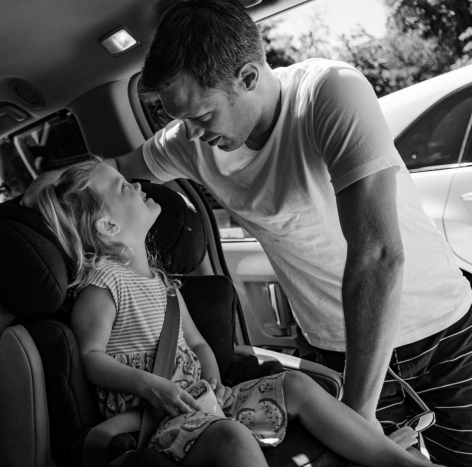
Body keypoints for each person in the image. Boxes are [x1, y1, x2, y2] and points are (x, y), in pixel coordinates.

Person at [90, 1, 472, 464]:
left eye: (202, 116)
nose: (188, 134)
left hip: (446, 333)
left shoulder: (329, 93)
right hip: (337, 349)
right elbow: (109, 172)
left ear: (249, 78)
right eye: (178, 119)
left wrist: (356, 416)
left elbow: (376, 255)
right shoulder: (190, 141)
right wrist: (37, 200)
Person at [31, 158, 434, 467]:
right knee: (233, 439)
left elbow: (197, 342)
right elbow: (91, 358)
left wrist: (213, 381)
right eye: (123, 186)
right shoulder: (103, 285)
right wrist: (152, 386)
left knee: (295, 384)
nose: (136, 184)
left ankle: (394, 460)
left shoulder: (162, 282)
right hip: (157, 416)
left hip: (204, 399)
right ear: (108, 226)